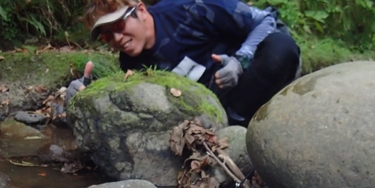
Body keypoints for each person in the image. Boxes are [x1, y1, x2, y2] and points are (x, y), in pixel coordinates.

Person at [66, 0, 301, 126]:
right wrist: (85, 98)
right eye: (107, 36)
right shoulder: (130, 61)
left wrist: (241, 60)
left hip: (253, 77)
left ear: (140, 9)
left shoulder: (192, 8)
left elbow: (265, 20)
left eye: (118, 26)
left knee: (281, 47)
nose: (116, 39)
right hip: (216, 109)